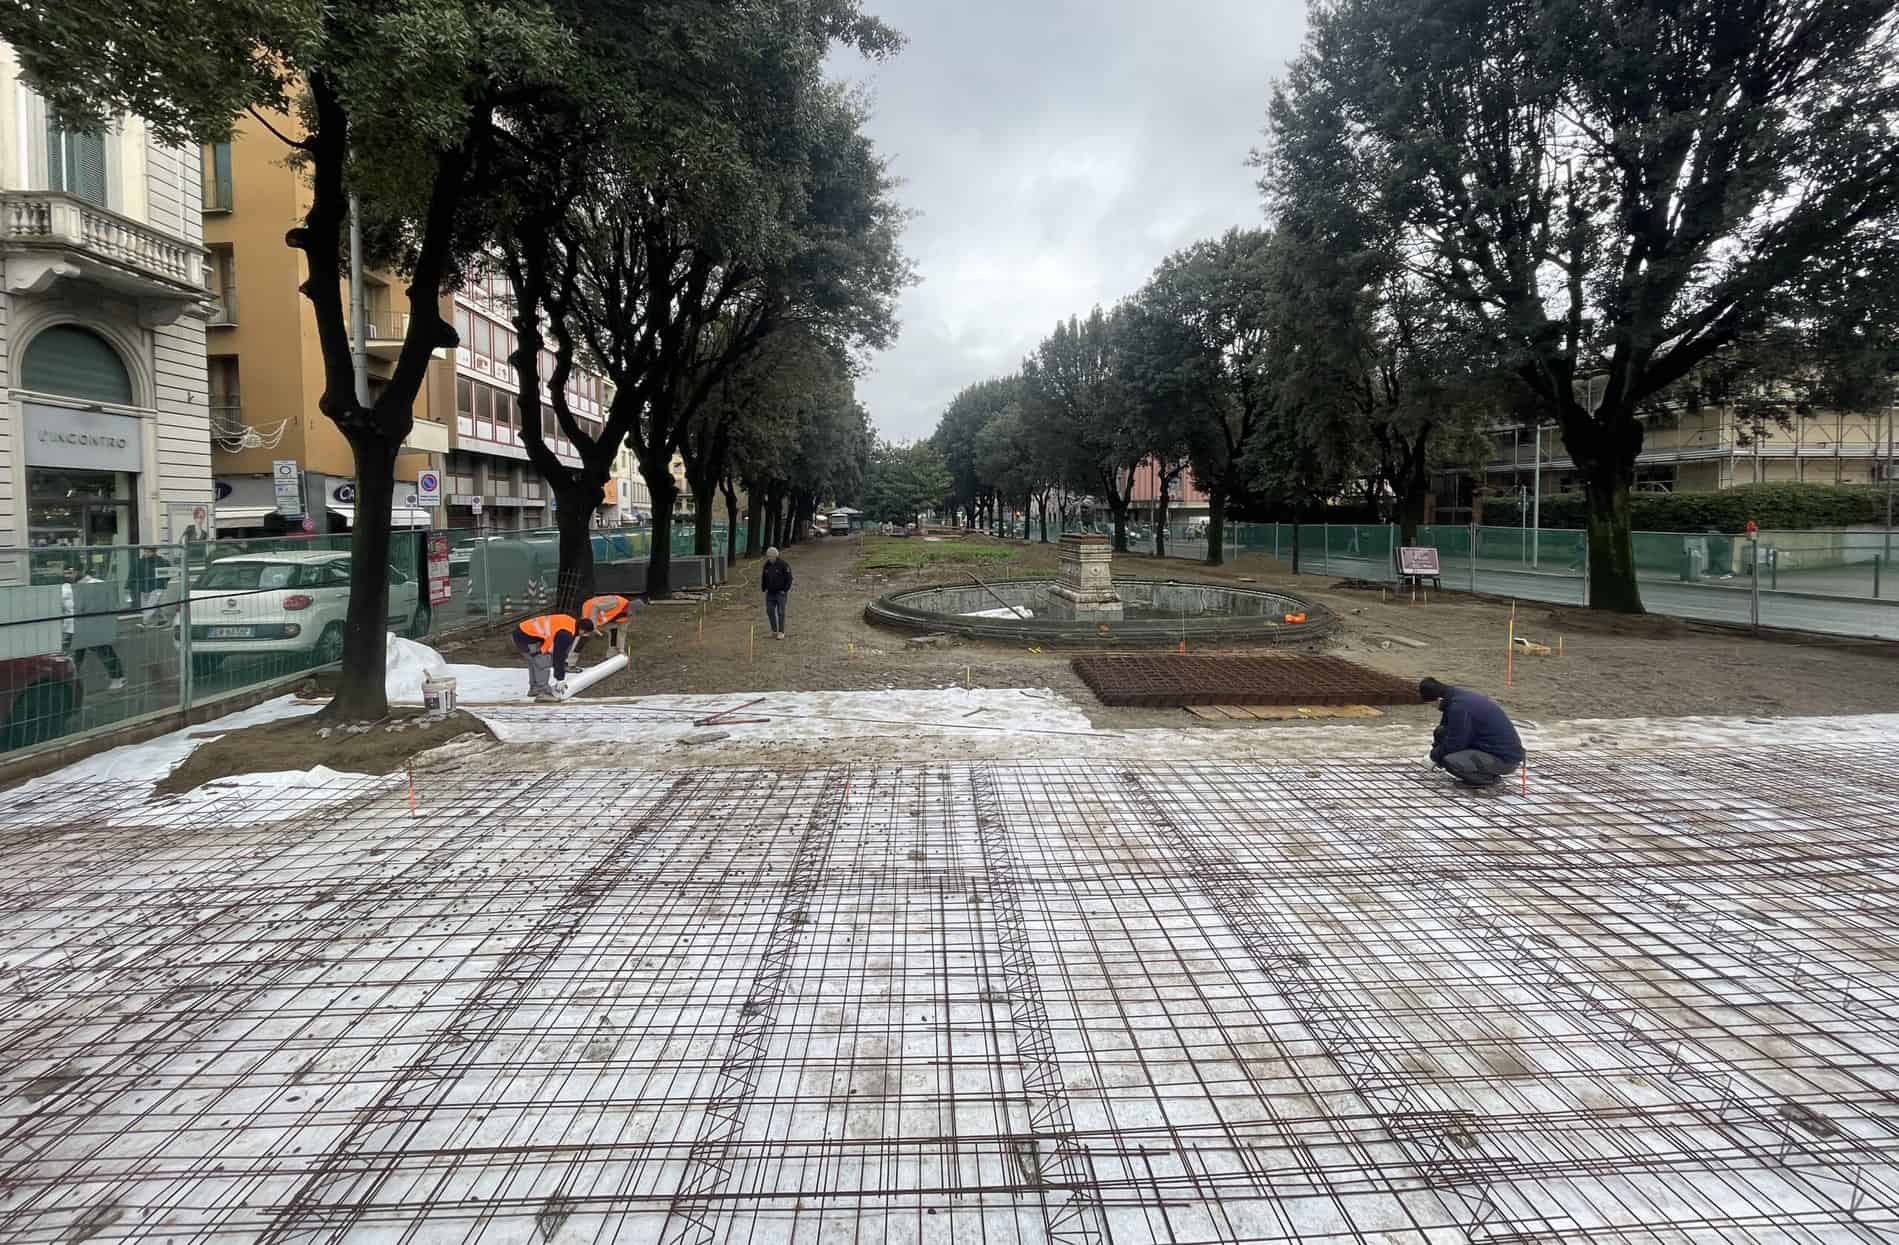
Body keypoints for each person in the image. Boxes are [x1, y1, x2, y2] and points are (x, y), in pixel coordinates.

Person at [1420, 676, 1524, 787]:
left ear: (1439, 699)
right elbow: (1445, 730)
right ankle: (1479, 772)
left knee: (1450, 761)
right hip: (1488, 748)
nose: (1433, 707)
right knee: (1441, 732)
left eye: (1432, 704)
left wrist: (1434, 756)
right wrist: (1435, 752)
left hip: (1505, 760)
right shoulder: (1456, 697)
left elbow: (1456, 743)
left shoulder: (1459, 708)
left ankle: (1488, 780)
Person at [61, 562, 127, 690]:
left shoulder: (97, 584)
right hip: (72, 628)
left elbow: (109, 605)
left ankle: (118, 677)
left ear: (80, 571)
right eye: (65, 573)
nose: (68, 576)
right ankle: (68, 684)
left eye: (71, 572)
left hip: (93, 627)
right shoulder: (64, 588)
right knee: (71, 659)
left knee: (105, 654)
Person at [513, 612, 594, 703]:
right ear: (582, 630)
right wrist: (560, 679)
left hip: (523, 632)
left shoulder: (570, 622)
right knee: (543, 662)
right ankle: (542, 691)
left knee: (535, 662)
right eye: (585, 634)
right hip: (527, 636)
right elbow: (558, 656)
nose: (582, 636)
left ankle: (535, 689)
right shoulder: (566, 634)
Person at [761, 546, 792, 639]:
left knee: (781, 612)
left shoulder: (784, 565)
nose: (768, 558)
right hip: (770, 592)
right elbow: (764, 577)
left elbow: (789, 579)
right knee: (769, 610)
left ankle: (781, 632)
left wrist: (784, 590)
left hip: (780, 593)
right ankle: (774, 631)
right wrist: (764, 588)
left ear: (775, 556)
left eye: (770, 556)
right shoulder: (766, 565)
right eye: (768, 556)